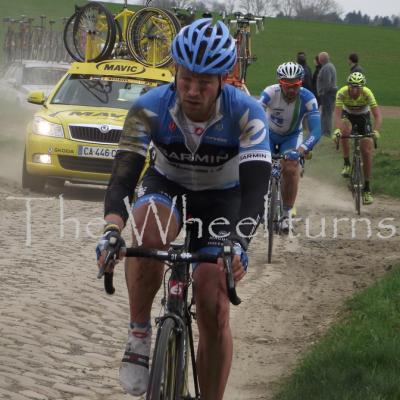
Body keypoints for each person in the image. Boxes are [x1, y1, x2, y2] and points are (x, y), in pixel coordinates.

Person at [96, 18, 271, 400]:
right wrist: (111, 231)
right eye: (186, 78)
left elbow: (257, 188)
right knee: (148, 231)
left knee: (213, 300)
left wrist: (239, 243)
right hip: (168, 187)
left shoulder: (247, 113)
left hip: (225, 199)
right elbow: (123, 177)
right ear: (175, 70)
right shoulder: (148, 108)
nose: (192, 91)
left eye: (204, 83)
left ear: (223, 79)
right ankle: (140, 335)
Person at [259, 62, 321, 232]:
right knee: (257, 163)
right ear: (281, 83)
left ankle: (286, 216)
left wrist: (301, 150)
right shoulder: (270, 92)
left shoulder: (308, 98)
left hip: (291, 137)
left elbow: (316, 130)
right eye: (288, 86)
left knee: (291, 167)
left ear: (300, 83)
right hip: (268, 134)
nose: (292, 90)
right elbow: (255, 115)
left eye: (296, 86)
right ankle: (256, 206)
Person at [333, 72, 382, 205]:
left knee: (366, 151)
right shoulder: (342, 93)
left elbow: (377, 116)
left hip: (362, 117)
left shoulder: (367, 93)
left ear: (362, 87)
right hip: (347, 114)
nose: (354, 90)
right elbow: (337, 114)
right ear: (348, 86)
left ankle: (367, 188)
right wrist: (337, 130)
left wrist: (376, 131)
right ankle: (347, 163)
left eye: (358, 87)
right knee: (344, 130)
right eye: (352, 87)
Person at [317, 51, 337, 136]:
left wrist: (322, 92)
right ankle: (323, 131)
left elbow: (327, 83)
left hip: (328, 94)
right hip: (328, 94)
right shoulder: (328, 66)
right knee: (325, 113)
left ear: (321, 59)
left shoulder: (327, 68)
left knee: (327, 113)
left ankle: (327, 132)